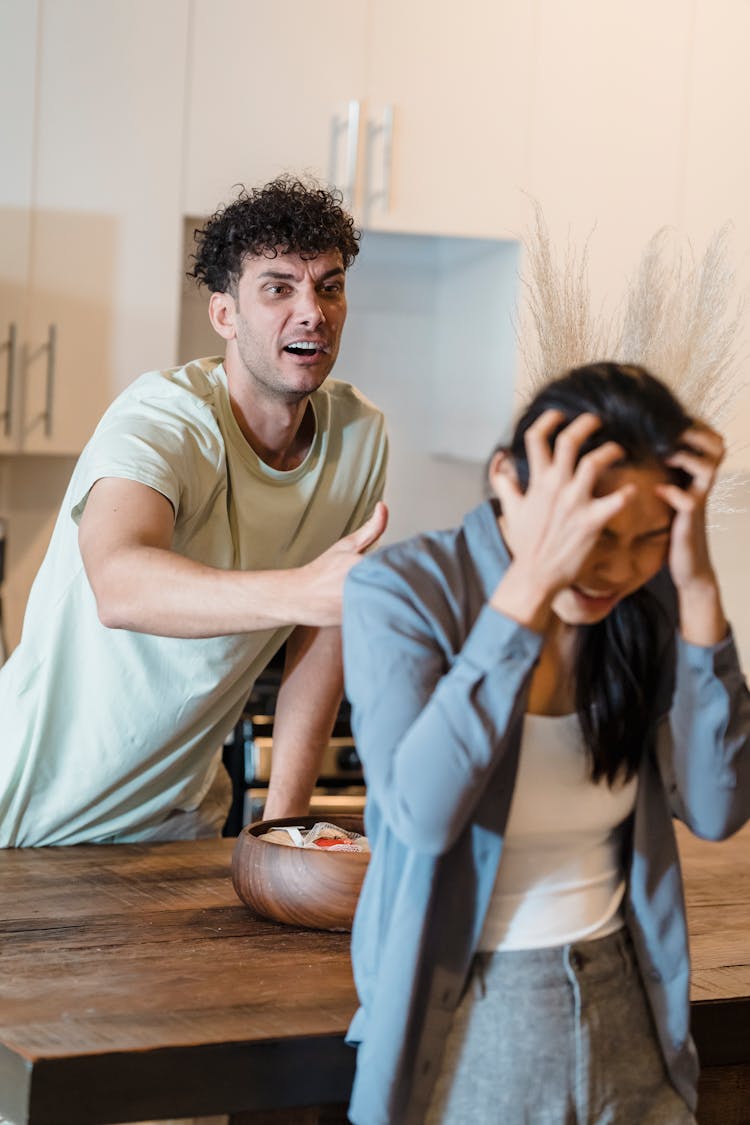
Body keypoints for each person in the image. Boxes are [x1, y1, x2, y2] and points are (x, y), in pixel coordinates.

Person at [341, 362, 750, 1124]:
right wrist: (528, 587)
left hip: (631, 1012)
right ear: (507, 478)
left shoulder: (645, 602)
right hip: (469, 1030)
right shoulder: (402, 590)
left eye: (646, 539)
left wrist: (696, 592)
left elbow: (718, 805)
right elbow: (422, 816)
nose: (615, 567)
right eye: (592, 533)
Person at [0, 175, 388, 847]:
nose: (312, 312)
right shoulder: (162, 418)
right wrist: (302, 589)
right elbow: (119, 584)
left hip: (176, 824)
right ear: (224, 315)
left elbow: (322, 635)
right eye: (278, 287)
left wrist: (283, 830)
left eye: (329, 285)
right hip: (27, 819)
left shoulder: (360, 437)